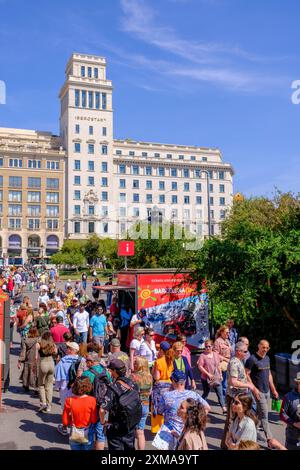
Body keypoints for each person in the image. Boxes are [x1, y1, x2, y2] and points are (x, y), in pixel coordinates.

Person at [221, 341, 260, 450]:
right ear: (238, 351)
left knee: (238, 421)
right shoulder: (235, 362)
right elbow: (233, 381)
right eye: (245, 351)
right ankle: (228, 446)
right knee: (232, 422)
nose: (247, 353)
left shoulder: (239, 361)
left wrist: (252, 387)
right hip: (235, 397)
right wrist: (249, 385)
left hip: (239, 396)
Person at [158, 370, 210, 449]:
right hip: (189, 429)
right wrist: (196, 418)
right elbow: (207, 408)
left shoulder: (166, 395)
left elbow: (159, 410)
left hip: (170, 432)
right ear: (185, 381)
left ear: (173, 381)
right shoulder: (193, 394)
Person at [99, 358, 142, 451]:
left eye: (110, 370)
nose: (109, 372)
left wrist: (103, 423)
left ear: (114, 371)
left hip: (116, 427)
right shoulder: (134, 384)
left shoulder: (113, 388)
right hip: (130, 425)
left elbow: (102, 410)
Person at [245, 339, 279, 445]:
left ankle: (250, 432)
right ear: (259, 346)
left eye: (267, 348)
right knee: (265, 415)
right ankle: (270, 439)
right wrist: (254, 389)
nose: (265, 349)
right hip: (258, 391)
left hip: (267, 391)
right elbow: (246, 375)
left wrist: (273, 389)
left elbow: (268, 375)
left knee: (259, 414)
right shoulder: (252, 359)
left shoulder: (267, 358)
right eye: (263, 347)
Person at [62, 377, 98, 451]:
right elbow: (94, 419)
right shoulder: (92, 400)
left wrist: (65, 425)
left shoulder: (69, 400)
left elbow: (65, 421)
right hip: (88, 431)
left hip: (75, 430)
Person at [55, 342, 80, 435]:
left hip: (65, 387)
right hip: (76, 387)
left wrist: (57, 387)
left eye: (68, 348)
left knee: (66, 409)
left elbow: (58, 375)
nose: (66, 349)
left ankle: (64, 428)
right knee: (75, 409)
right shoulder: (81, 360)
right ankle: (75, 429)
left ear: (72, 350)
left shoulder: (63, 360)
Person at [197, 339, 227, 413]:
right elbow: (200, 366)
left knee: (219, 393)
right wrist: (208, 374)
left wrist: (220, 374)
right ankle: (199, 406)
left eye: (209, 346)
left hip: (216, 378)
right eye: (206, 347)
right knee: (206, 393)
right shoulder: (202, 355)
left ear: (212, 346)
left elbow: (218, 365)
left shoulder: (216, 354)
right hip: (205, 378)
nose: (207, 348)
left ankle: (224, 408)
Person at [151, 341, 174, 433]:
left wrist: (153, 370)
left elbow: (156, 377)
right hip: (168, 384)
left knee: (157, 406)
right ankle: (166, 428)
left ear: (161, 350)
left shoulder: (158, 361)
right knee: (166, 407)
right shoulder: (170, 360)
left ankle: (157, 429)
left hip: (160, 386)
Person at [130, 356, 153, 450]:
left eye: (136, 363)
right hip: (145, 405)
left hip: (135, 406)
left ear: (140, 365)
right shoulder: (149, 377)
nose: (134, 365)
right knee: (140, 432)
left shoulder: (133, 377)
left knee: (131, 431)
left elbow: (130, 392)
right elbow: (150, 392)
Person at [37, 331, 57, 413]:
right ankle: (49, 406)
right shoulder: (53, 344)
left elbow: (36, 356)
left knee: (41, 385)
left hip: (43, 363)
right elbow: (56, 352)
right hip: (51, 364)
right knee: (49, 385)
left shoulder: (39, 344)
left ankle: (43, 403)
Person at [280, 371, 300, 450]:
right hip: (292, 436)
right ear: (298, 383)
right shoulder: (288, 397)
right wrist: (294, 423)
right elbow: (282, 414)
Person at [18, 326, 40, 393]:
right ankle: (36, 388)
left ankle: (26, 385)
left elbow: (23, 352)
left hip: (28, 359)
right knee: (36, 373)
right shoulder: (39, 340)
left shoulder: (26, 340)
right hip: (37, 359)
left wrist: (20, 360)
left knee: (27, 372)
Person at [213, 325, 232, 400]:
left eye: (228, 332)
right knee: (224, 383)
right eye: (226, 332)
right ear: (221, 332)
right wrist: (225, 359)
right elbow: (216, 354)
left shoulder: (227, 341)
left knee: (228, 383)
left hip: (228, 363)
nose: (228, 334)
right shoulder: (217, 341)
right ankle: (223, 400)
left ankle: (225, 399)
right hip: (222, 364)